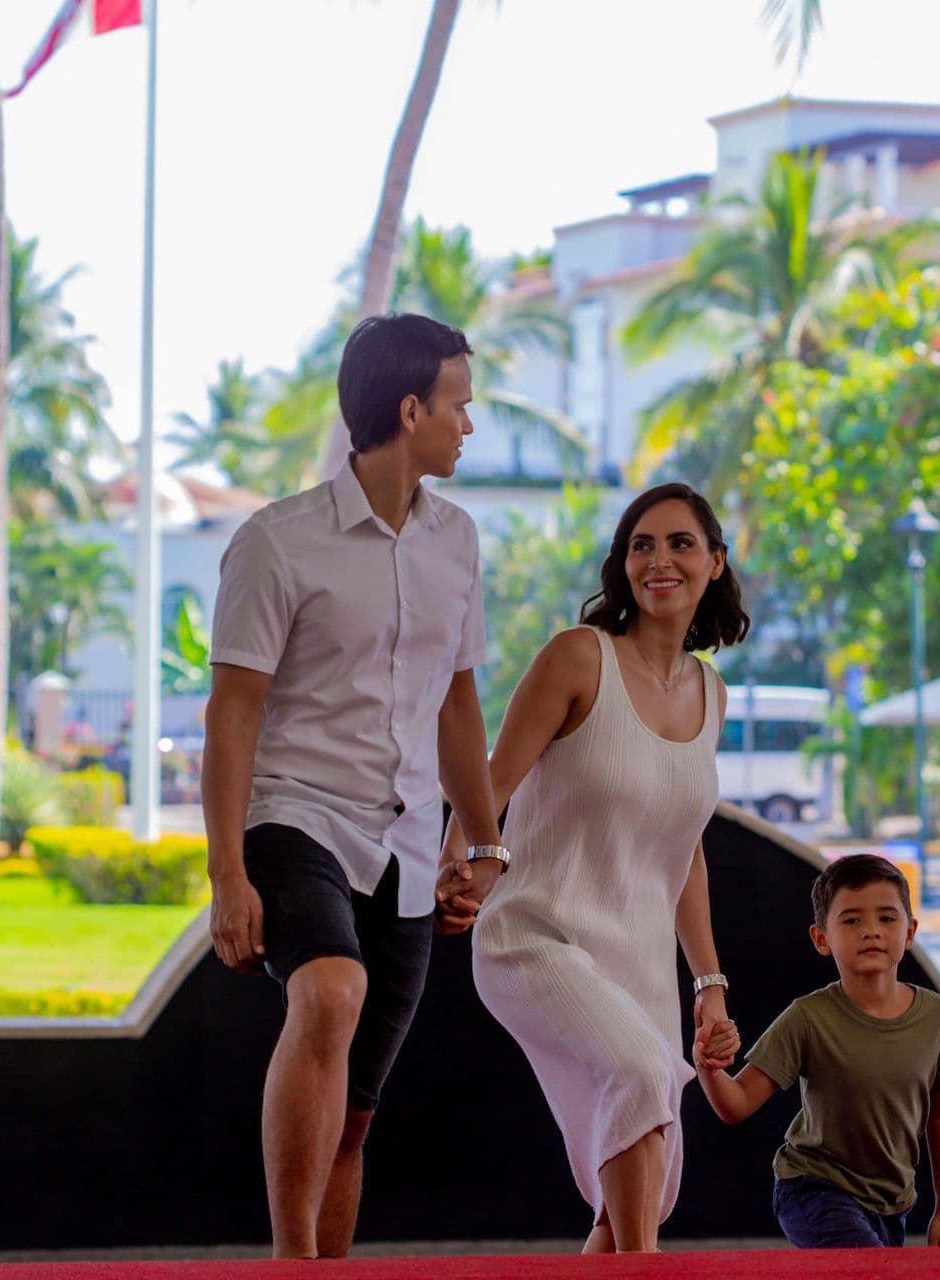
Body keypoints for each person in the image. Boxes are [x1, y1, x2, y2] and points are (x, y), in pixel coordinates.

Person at [202, 312, 509, 1260]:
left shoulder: (457, 542)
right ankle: (291, 1261)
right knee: (329, 993)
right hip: (295, 814)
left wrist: (485, 842)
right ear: (410, 409)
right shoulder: (275, 543)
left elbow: (458, 706)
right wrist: (226, 876)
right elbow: (233, 711)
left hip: (412, 845)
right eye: (459, 404)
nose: (470, 424)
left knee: (357, 1116)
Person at [438, 482, 748, 1253]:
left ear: (715, 562)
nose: (658, 560)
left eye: (680, 543)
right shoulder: (580, 657)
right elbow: (490, 782)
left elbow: (686, 849)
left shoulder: (712, 695)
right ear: (622, 565)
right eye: (641, 544)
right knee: (644, 1079)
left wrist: (710, 987)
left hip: (637, 964)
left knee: (634, 1194)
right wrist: (463, 860)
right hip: (534, 936)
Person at [692, 854, 940, 1250]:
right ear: (822, 938)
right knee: (867, 1269)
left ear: (910, 932)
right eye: (852, 920)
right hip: (813, 1188)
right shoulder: (807, 1017)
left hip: (892, 1204)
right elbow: (735, 1105)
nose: (871, 930)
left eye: (887, 918)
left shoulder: (939, 1017)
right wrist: (708, 1064)